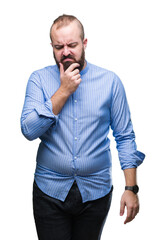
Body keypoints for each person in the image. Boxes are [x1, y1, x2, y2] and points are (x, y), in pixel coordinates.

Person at [21, 14, 145, 240]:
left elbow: (125, 137)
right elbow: (29, 130)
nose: (66, 51)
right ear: (52, 47)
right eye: (59, 46)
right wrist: (63, 91)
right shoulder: (38, 80)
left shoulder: (110, 82)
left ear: (84, 43)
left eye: (72, 45)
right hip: (49, 192)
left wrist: (131, 189)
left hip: (96, 192)